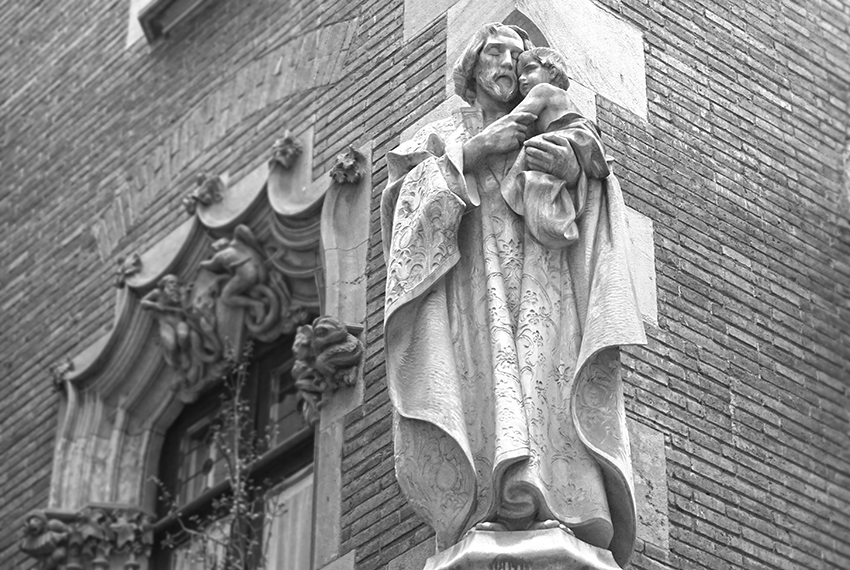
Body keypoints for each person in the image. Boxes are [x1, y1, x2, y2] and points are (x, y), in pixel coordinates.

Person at [381, 23, 646, 568]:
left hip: (545, 286)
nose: (506, 63)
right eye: (494, 53)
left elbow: (593, 178)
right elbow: (402, 213)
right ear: (472, 67)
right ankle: (487, 493)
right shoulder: (440, 139)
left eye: (516, 55)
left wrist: (570, 169)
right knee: (485, 380)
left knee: (545, 372)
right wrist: (474, 153)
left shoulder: (548, 123)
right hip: (471, 302)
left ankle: (557, 493)